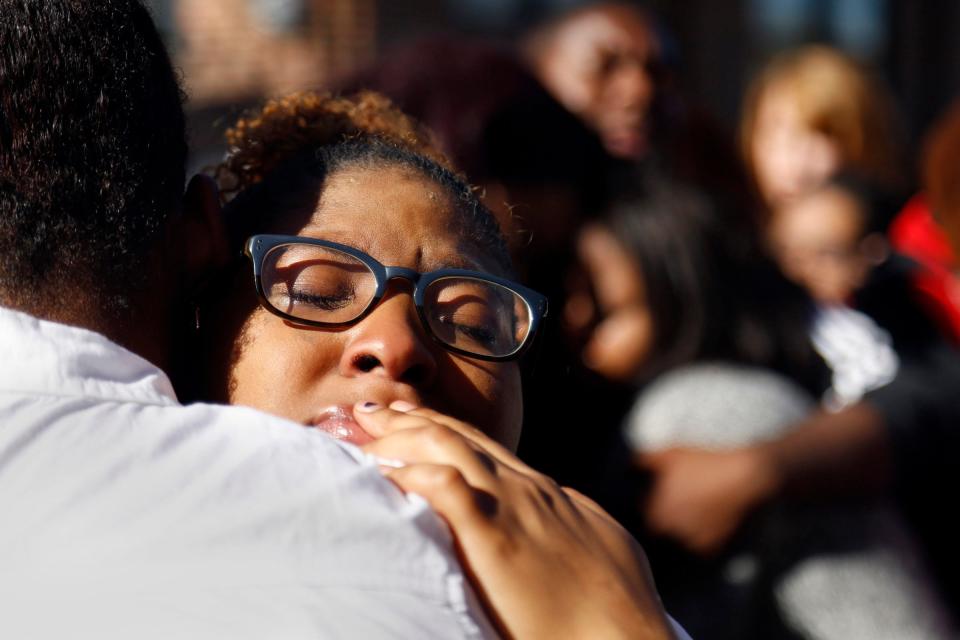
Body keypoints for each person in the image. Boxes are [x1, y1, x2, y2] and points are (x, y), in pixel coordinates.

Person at [0, 2, 679, 638]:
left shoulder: (584, 566)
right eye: (321, 292)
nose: (396, 345)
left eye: (472, 324)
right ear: (198, 308)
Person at [584, 183, 952, 638]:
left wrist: (757, 469)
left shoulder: (712, 410)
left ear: (681, 300)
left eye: (608, 310)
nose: (577, 320)